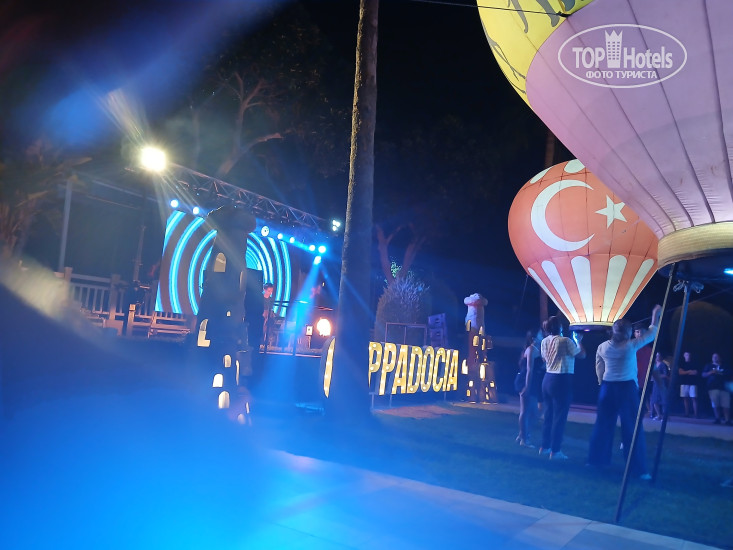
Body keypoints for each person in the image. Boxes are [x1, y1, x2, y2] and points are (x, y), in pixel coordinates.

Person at [587, 304, 662, 480]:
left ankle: (596, 461)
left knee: (603, 426)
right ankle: (638, 469)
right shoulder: (630, 346)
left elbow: (599, 367)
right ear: (628, 332)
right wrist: (655, 315)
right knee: (632, 428)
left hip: (607, 388)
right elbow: (652, 334)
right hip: (626, 389)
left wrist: (601, 382)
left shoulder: (603, 347)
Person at [539, 315, 586, 460]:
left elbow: (543, 358)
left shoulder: (544, 341)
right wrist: (579, 341)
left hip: (547, 378)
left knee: (548, 415)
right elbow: (582, 355)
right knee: (559, 417)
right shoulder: (565, 341)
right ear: (559, 327)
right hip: (561, 379)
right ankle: (556, 450)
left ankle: (544, 447)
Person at [516, 330, 545, 448]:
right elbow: (529, 370)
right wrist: (527, 387)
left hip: (534, 382)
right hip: (527, 381)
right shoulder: (532, 349)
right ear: (533, 338)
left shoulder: (539, 350)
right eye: (541, 334)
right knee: (526, 411)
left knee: (536, 412)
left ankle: (522, 434)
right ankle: (524, 439)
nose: (543, 336)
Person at [702, 353, 732, 425]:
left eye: (716, 357)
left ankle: (727, 420)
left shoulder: (725, 366)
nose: (715, 358)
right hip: (713, 388)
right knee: (715, 404)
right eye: (713, 357)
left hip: (724, 388)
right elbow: (703, 375)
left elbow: (730, 374)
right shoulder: (709, 366)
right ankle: (717, 418)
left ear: (720, 358)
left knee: (726, 405)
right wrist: (711, 372)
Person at [678, 351, 699, 418]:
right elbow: (680, 372)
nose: (688, 356)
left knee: (693, 398)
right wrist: (689, 371)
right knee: (685, 398)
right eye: (686, 355)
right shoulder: (682, 363)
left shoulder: (694, 363)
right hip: (684, 383)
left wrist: (685, 372)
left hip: (693, 383)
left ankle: (696, 414)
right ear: (684, 356)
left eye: (689, 355)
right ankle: (687, 413)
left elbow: (695, 372)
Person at [650, 352, 670, 420]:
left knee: (663, 400)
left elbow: (665, 375)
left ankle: (664, 416)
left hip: (662, 384)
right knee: (654, 400)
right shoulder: (654, 364)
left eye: (658, 356)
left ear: (661, 356)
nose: (657, 357)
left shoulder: (663, 365)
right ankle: (659, 415)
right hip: (655, 385)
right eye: (656, 356)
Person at [262, 283, 276, 347]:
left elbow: (271, 308)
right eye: (269, 291)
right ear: (264, 290)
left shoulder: (271, 299)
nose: (270, 293)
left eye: (271, 291)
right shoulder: (261, 298)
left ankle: (268, 340)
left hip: (268, 316)